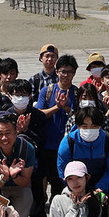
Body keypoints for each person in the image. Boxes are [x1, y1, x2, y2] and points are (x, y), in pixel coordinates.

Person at [37, 54, 79, 204]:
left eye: (69, 72)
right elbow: (40, 114)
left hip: (70, 146)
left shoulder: (77, 93)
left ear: (74, 73)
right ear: (57, 72)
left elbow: (81, 118)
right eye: (63, 71)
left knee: (63, 183)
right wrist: (57, 107)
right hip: (48, 145)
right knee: (47, 179)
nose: (66, 75)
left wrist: (67, 108)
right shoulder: (47, 91)